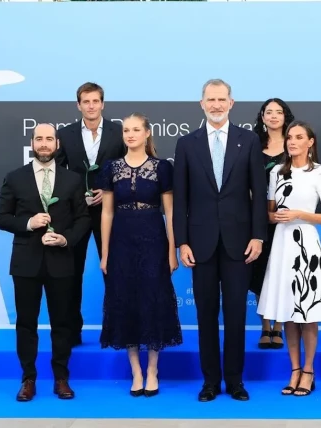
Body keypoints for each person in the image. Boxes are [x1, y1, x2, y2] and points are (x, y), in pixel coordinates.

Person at [173, 79, 268, 402]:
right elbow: (180, 199)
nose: (216, 105)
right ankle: (210, 382)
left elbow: (259, 195)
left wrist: (258, 235)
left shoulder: (249, 140)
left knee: (237, 315)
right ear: (201, 103)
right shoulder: (187, 144)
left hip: (239, 243)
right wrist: (181, 242)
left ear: (231, 103)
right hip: (199, 244)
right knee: (205, 315)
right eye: (210, 99)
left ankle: (236, 381)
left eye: (221, 99)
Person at [0, 123, 91, 401]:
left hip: (61, 261)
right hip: (26, 262)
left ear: (57, 144)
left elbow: (84, 219)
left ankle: (61, 377)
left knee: (62, 322)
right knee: (26, 323)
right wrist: (27, 222)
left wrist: (65, 239)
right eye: (39, 139)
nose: (44, 144)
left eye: (49, 139)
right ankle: (28, 379)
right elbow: (1, 217)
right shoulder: (15, 178)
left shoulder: (72, 180)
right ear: (33, 144)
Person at [98, 113, 183, 398]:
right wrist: (105, 252)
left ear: (147, 133)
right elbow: (107, 212)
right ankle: (136, 371)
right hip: (121, 241)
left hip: (154, 240)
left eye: (136, 129)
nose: (130, 134)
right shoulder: (111, 168)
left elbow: (170, 212)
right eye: (126, 130)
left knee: (153, 301)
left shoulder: (162, 168)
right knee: (125, 302)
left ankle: (153, 370)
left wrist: (173, 250)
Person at [257, 120, 321, 396]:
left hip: (306, 243)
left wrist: (299, 214)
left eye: (298, 137)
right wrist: (277, 216)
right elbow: (268, 214)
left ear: (310, 142)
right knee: (288, 312)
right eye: (289, 137)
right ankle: (293, 370)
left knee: (307, 313)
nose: (292, 142)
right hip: (281, 244)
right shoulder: (277, 174)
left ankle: (308, 371)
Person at [55, 82, 125, 346]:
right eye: (86, 101)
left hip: (111, 212)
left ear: (103, 104)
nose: (91, 106)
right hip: (75, 214)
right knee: (71, 273)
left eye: (96, 101)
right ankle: (72, 331)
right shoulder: (66, 134)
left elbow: (128, 170)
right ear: (78, 105)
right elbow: (58, 174)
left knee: (114, 271)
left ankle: (116, 328)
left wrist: (110, 193)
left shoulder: (119, 133)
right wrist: (75, 196)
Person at [250, 98, 295, 350]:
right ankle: (265, 326)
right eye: (269, 112)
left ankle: (279, 326)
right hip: (259, 218)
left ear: (285, 116)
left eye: (279, 112)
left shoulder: (294, 143)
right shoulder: (252, 144)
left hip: (288, 220)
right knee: (262, 272)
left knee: (283, 271)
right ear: (263, 117)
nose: (274, 116)